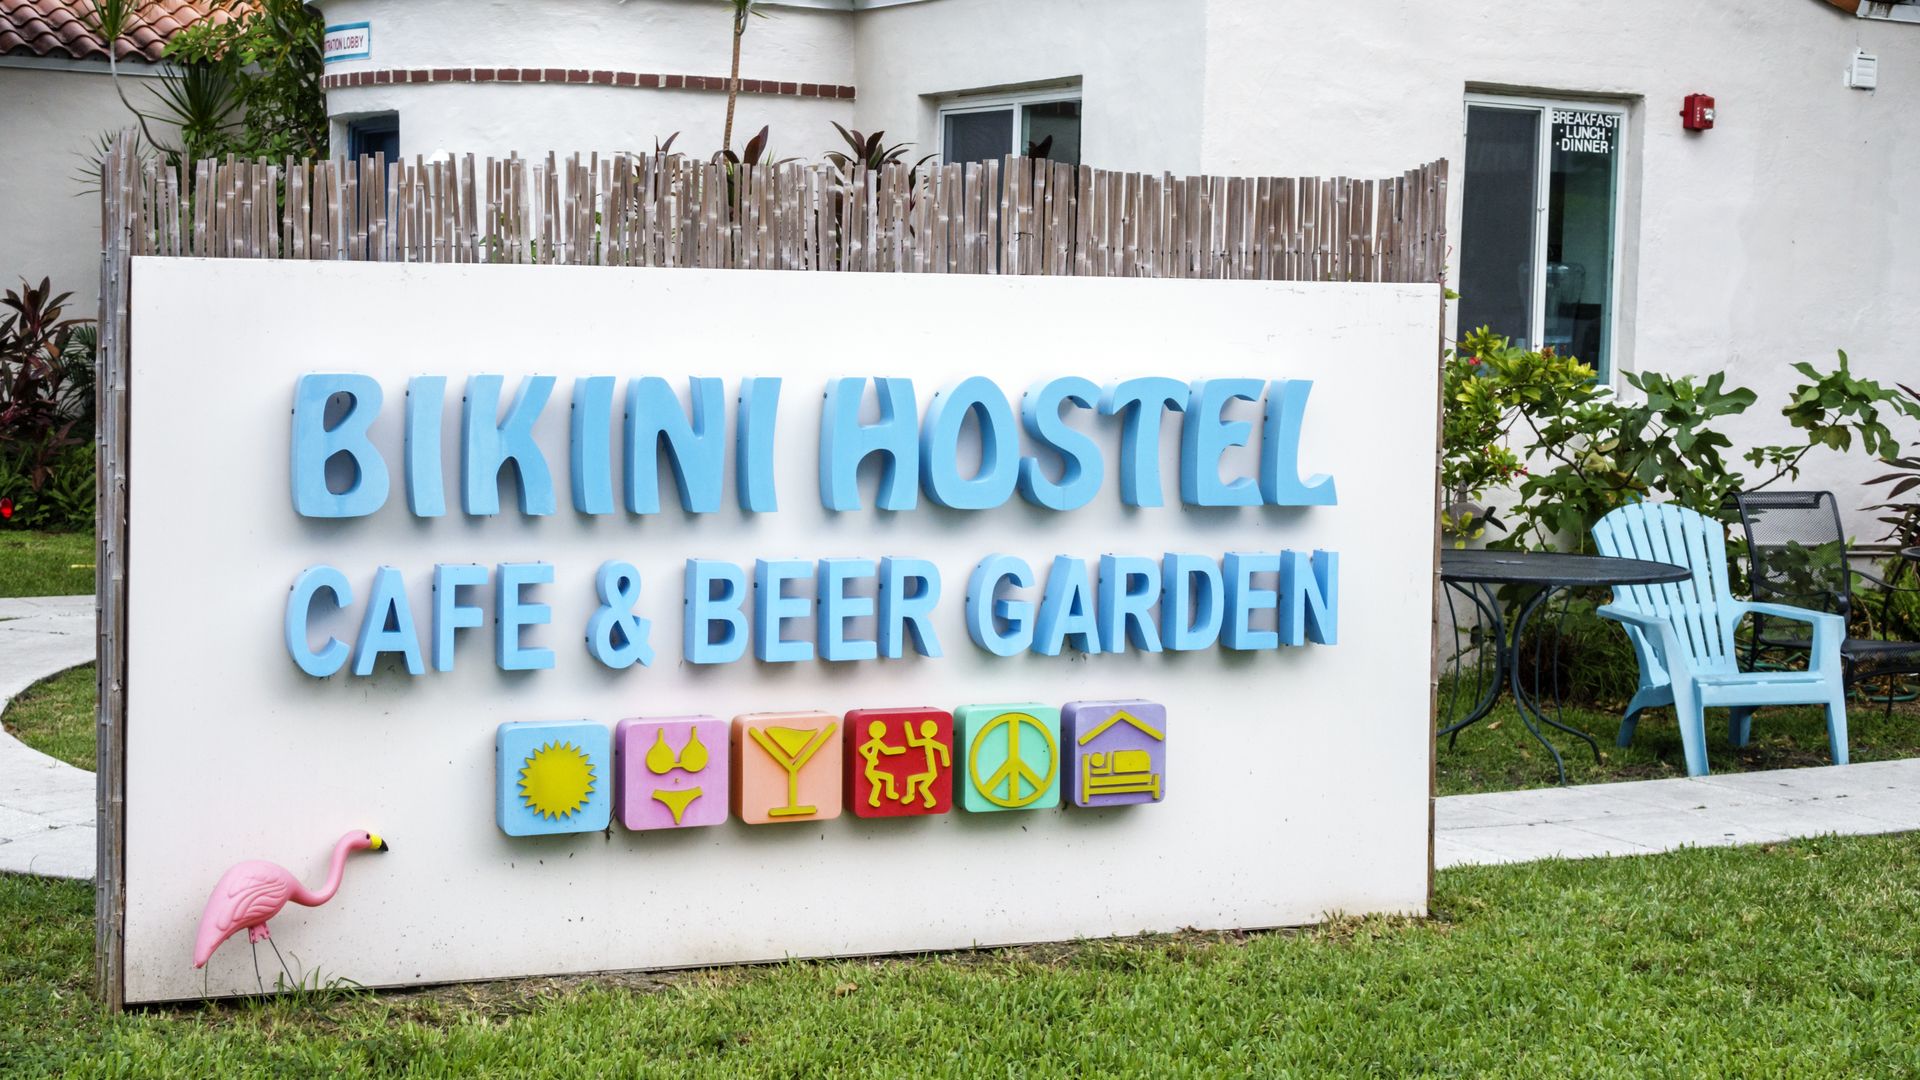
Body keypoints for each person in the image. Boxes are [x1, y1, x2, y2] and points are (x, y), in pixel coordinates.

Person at [903, 719, 950, 809]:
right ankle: (928, 800)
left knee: (914, 781)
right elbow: (942, 748)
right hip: (931, 771)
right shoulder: (929, 742)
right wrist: (908, 727)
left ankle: (912, 797)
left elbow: (912, 742)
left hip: (931, 772)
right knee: (921, 786)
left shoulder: (928, 742)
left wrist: (946, 762)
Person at [859, 719, 905, 807]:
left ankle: (874, 799)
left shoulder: (877, 742)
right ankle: (889, 793)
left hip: (870, 769)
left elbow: (886, 751)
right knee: (887, 778)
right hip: (870, 769)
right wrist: (871, 757)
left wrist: (899, 749)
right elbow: (863, 749)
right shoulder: (874, 742)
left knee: (878, 783)